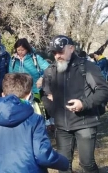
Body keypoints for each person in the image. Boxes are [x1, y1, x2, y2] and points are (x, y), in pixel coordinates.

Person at [42, 35, 108, 173]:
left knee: (87, 164)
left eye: (60, 51)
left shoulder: (87, 67)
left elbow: (103, 91)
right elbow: (45, 94)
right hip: (61, 126)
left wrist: (84, 104)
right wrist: (53, 110)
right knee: (63, 166)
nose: (57, 56)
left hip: (85, 123)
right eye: (54, 53)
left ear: (71, 48)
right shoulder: (50, 70)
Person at [0, 73, 69, 173]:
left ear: (3, 94)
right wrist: (64, 163)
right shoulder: (35, 120)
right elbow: (42, 155)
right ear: (29, 95)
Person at [9, 38, 50, 116]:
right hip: (18, 92)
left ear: (27, 49)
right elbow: (10, 75)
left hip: (34, 91)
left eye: (23, 50)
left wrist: (42, 78)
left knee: (35, 113)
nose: (20, 52)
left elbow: (49, 69)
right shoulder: (13, 60)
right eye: (18, 50)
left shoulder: (35, 58)